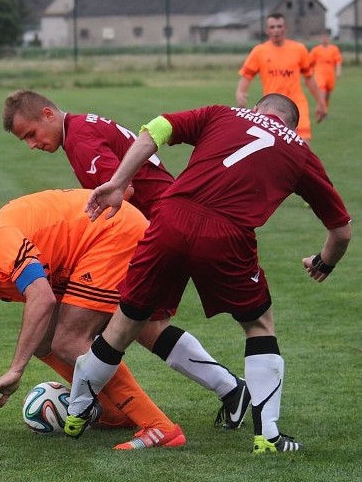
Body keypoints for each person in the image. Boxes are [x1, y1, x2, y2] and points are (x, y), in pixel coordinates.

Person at [70, 94, 352, 454]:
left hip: (170, 217)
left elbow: (155, 129)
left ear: (256, 111)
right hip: (227, 235)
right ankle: (267, 436)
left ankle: (77, 413)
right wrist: (323, 262)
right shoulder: (299, 150)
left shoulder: (222, 113)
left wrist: (117, 182)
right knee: (259, 325)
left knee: (125, 322)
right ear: (291, 126)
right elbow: (341, 231)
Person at [1, 89, 249, 429]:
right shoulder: (82, 127)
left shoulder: (81, 140)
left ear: (47, 114)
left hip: (158, 230)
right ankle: (230, 389)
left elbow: (123, 194)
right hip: (164, 225)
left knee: (77, 334)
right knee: (143, 326)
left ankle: (103, 410)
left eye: (31, 134)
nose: (32, 144)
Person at [0, 188, 191, 450]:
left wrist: (16, 369)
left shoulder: (0, 244)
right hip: (82, 251)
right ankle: (115, 412)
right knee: (42, 341)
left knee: (68, 339)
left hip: (112, 232)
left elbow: (42, 296)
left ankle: (159, 427)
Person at [236, 13, 326, 142]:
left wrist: (321, 103)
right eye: (272, 27)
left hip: (297, 106)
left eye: (279, 26)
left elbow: (309, 78)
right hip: (271, 108)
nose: (276, 30)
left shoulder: (299, 49)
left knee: (303, 149)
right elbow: (246, 76)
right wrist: (240, 93)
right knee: (274, 152)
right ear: (267, 30)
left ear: (285, 28)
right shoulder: (259, 51)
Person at [309, 29, 342, 108]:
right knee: (322, 90)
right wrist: (310, 73)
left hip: (330, 73)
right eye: (323, 37)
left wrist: (338, 71)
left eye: (326, 36)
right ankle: (321, 108)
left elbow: (338, 61)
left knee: (327, 93)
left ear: (329, 37)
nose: (324, 38)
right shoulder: (315, 50)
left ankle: (324, 108)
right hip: (319, 72)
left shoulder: (334, 49)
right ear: (320, 38)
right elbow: (309, 63)